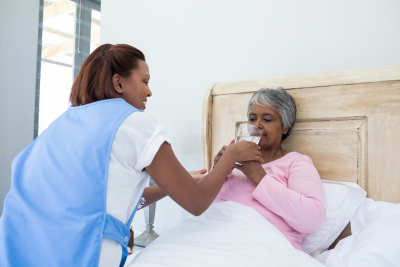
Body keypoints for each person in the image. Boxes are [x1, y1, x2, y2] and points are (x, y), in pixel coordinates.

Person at [0, 44, 263, 267]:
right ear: (118, 83)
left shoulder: (62, 124)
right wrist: (231, 155)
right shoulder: (136, 124)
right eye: (146, 81)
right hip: (79, 254)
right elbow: (196, 203)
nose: (150, 92)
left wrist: (172, 185)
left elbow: (105, 201)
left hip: (20, 249)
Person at [213, 88, 326, 251]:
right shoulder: (233, 162)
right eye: (252, 118)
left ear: (285, 126)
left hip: (266, 248)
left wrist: (260, 178)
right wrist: (218, 171)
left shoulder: (296, 162)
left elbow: (312, 219)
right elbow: (202, 208)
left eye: (267, 119)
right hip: (217, 241)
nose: (257, 125)